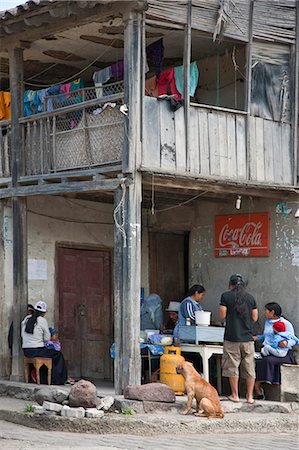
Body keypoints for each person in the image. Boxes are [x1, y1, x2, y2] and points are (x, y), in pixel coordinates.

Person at [219, 274, 258, 404]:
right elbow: (254, 317)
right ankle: (249, 397)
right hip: (247, 338)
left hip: (232, 337)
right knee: (249, 367)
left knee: (232, 366)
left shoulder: (226, 296)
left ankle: (235, 395)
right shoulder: (251, 298)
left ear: (231, 284)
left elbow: (222, 315)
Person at [254, 302, 297, 399]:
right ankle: (258, 388)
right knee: (256, 359)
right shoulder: (267, 323)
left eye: (266, 311)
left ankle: (260, 385)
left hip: (282, 352)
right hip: (269, 350)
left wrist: (286, 343)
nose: (264, 313)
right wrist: (256, 338)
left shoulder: (286, 324)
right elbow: (266, 337)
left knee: (266, 361)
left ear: (272, 312)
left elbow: (293, 339)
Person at [21, 300, 68, 385]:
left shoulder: (26, 319)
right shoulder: (42, 320)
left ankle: (41, 378)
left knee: (48, 353)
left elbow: (22, 335)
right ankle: (56, 380)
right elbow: (47, 339)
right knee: (58, 354)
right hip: (37, 350)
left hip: (26, 350)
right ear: (44, 313)